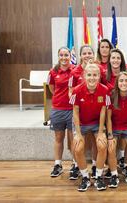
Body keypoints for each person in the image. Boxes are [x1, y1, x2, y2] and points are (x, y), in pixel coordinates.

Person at [70, 63, 110, 192]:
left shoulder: (105, 90)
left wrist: (100, 132)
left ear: (99, 76)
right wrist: (78, 133)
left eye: (95, 75)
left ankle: (98, 177)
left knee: (102, 145)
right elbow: (75, 113)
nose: (92, 78)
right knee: (77, 148)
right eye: (89, 75)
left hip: (96, 124)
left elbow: (103, 112)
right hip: (81, 124)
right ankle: (85, 177)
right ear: (84, 76)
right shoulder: (76, 90)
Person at [68, 45, 98, 180]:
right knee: (78, 143)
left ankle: (96, 165)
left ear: (93, 54)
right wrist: (80, 102)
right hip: (79, 113)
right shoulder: (74, 72)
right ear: (80, 56)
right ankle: (76, 165)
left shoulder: (97, 70)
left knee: (95, 142)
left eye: (90, 53)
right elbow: (70, 92)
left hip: (95, 115)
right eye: (84, 53)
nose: (87, 55)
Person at [48, 47, 75, 177]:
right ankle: (58, 164)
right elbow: (52, 88)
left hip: (71, 110)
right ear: (58, 56)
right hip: (58, 109)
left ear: (70, 56)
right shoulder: (53, 72)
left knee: (73, 139)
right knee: (59, 138)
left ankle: (75, 164)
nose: (64, 58)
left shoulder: (75, 70)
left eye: (66, 55)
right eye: (61, 55)